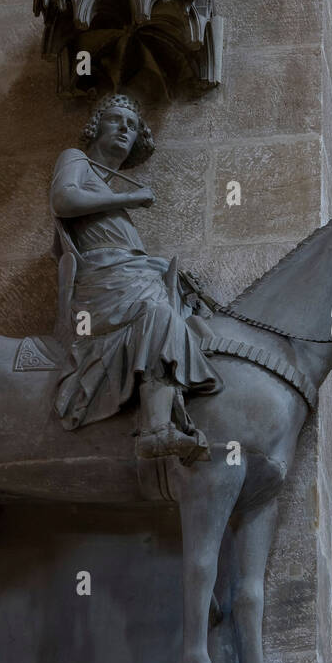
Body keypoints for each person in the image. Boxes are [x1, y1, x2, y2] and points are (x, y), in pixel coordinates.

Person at [49, 93, 220, 461]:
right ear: (96, 126)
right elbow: (63, 200)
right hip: (101, 284)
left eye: (132, 125)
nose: (125, 128)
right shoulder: (75, 160)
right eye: (115, 120)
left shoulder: (107, 187)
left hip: (125, 276)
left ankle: (175, 408)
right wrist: (127, 199)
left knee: (193, 319)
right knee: (157, 313)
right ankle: (155, 431)